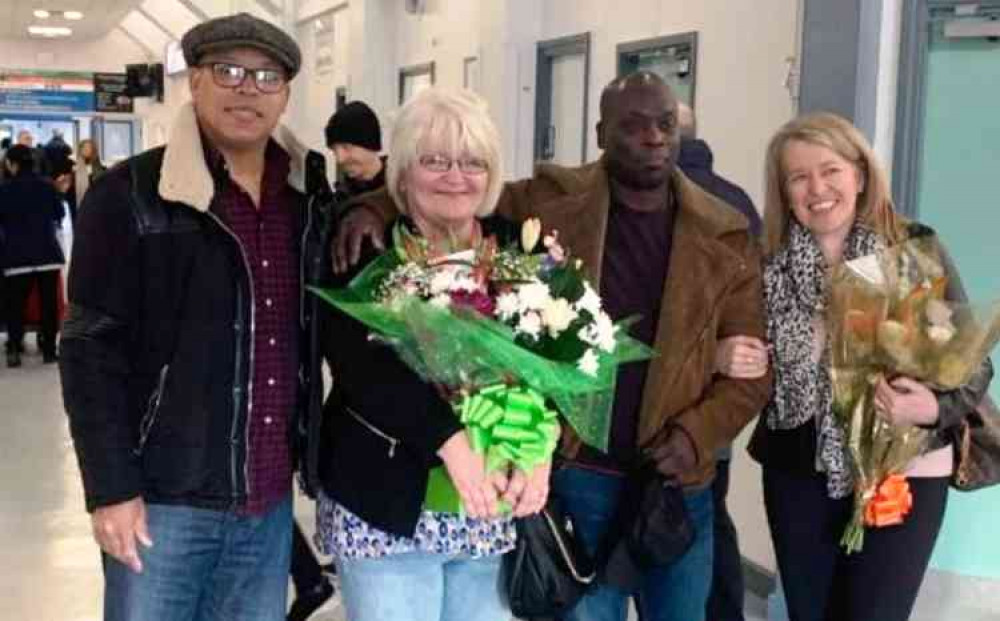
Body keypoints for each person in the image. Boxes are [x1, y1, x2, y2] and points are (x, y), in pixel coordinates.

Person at [334, 72, 772, 621]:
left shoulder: (726, 231)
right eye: (632, 125)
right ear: (601, 132)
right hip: (573, 479)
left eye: (664, 124)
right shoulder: (547, 202)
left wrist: (697, 435)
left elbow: (754, 369)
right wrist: (370, 206)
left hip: (670, 482)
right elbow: (443, 181)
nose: (654, 138)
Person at [60, 13, 332, 621]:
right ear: (196, 83)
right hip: (161, 504)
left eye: (266, 77)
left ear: (285, 94)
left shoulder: (309, 202)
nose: (247, 89)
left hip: (266, 506)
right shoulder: (130, 194)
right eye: (228, 71)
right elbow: (89, 349)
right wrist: (111, 489)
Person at [720, 112, 993, 621]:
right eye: (798, 178)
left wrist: (934, 406)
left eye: (831, 171)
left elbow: (972, 362)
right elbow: (730, 355)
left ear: (860, 174)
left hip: (902, 467)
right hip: (798, 470)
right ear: (784, 192)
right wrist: (726, 357)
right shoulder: (765, 263)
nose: (816, 189)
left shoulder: (910, 250)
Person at [310, 87, 541, 621]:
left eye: (472, 161)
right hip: (386, 504)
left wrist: (540, 448)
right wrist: (452, 444)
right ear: (404, 169)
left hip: (487, 510)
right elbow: (359, 365)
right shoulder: (366, 243)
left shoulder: (515, 246)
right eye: (434, 160)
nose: (455, 176)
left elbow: (554, 359)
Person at [672, 101, 760, 621]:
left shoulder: (697, 206)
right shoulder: (740, 201)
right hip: (712, 418)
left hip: (691, 408)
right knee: (709, 515)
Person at [0, 144, 66, 367]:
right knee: (49, 304)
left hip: (16, 256)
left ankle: (14, 349)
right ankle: (49, 350)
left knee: (15, 304)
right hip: (47, 253)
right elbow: (59, 213)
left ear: (12, 163)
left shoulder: (4, 189)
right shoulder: (47, 186)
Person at [325, 100, 386, 209]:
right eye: (334, 150)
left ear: (370, 144)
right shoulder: (337, 203)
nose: (340, 159)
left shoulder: (402, 193)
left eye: (346, 147)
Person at [74, 138, 107, 208]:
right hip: (80, 208)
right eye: (84, 148)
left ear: (94, 150)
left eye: (89, 147)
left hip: (98, 206)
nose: (86, 150)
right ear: (80, 151)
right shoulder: (74, 170)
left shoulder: (103, 170)